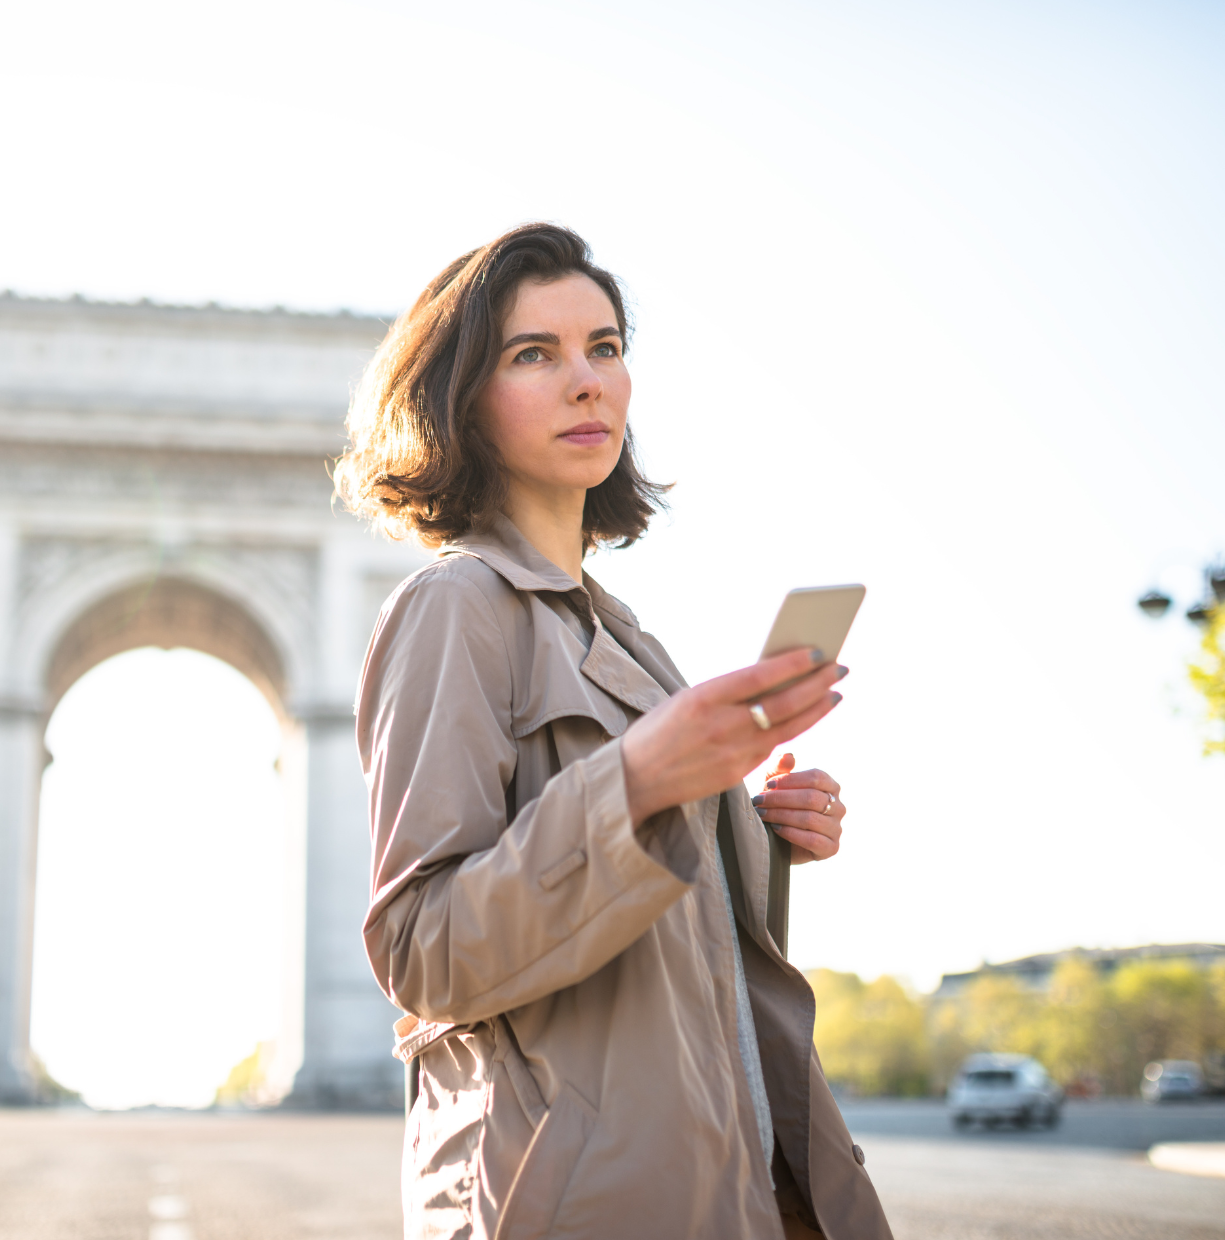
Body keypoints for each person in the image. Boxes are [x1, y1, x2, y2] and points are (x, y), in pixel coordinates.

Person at [334, 223, 892, 1240]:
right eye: (532, 354)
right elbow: (423, 951)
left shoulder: (631, 639)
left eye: (604, 346)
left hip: (734, 1186)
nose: (586, 381)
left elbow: (661, 939)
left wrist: (756, 839)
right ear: (457, 398)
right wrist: (632, 783)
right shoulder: (452, 607)